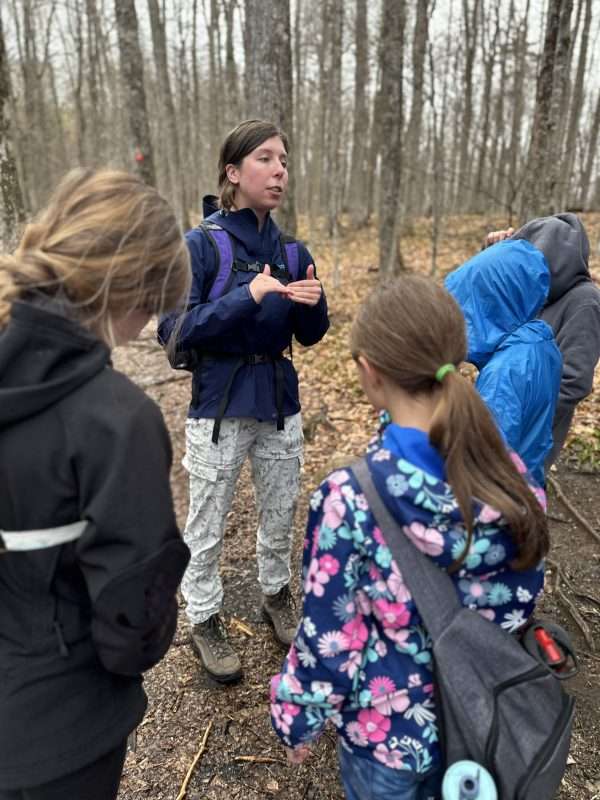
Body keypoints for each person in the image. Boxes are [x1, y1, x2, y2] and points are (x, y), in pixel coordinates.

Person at [270, 276, 548, 800]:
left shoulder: (349, 500)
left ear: (369, 372)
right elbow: (517, 601)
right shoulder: (512, 480)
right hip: (484, 726)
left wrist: (296, 721)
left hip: (388, 745)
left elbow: (330, 640)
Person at [0, 169, 191, 800]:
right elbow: (128, 628)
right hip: (59, 739)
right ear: (135, 285)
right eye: (156, 302)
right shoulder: (116, 423)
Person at [158, 119, 329, 684]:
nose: (279, 170)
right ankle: (204, 616)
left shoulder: (291, 248)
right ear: (233, 173)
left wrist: (312, 302)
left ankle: (276, 593)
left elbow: (309, 337)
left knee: (280, 515)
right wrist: (245, 297)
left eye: (283, 159)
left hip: (280, 402)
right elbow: (173, 331)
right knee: (206, 521)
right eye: (265, 159)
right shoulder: (200, 245)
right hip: (219, 407)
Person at [444, 239, 562, 486]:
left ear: (493, 306)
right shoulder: (540, 342)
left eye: (468, 308)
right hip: (529, 482)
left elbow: (483, 462)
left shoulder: (503, 375)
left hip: (504, 501)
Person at [485, 213, 600, 467]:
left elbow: (574, 380)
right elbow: (486, 323)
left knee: (517, 497)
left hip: (531, 433)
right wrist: (493, 255)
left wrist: (518, 419)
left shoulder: (584, 301)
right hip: (495, 415)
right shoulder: (531, 291)